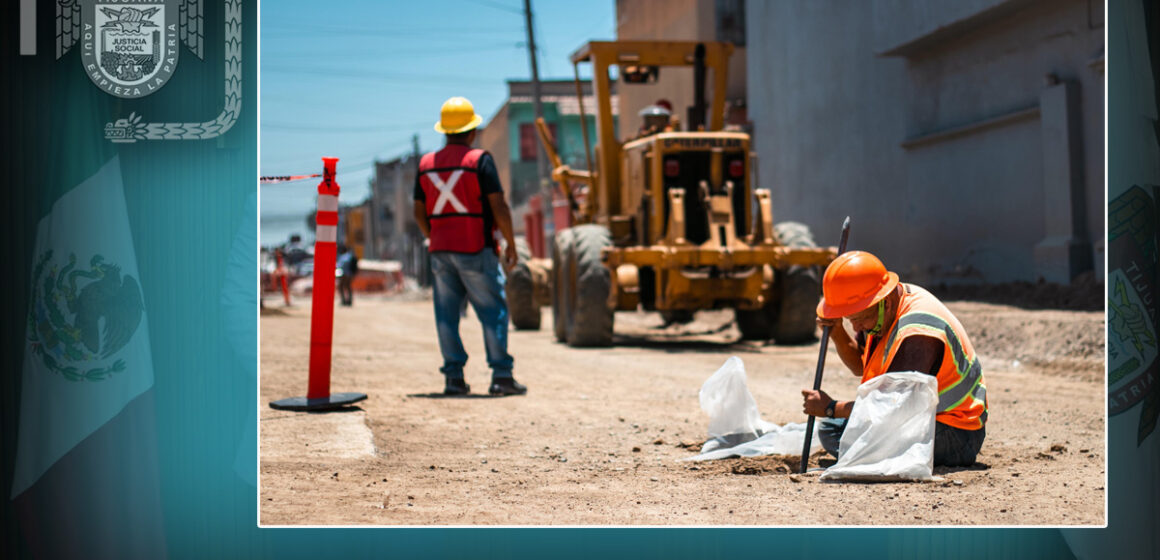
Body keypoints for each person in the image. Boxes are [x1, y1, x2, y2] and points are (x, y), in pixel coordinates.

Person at [801, 250, 988, 467]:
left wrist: (832, 407)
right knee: (831, 428)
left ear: (886, 303)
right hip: (919, 418)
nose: (856, 327)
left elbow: (890, 408)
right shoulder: (881, 309)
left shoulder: (918, 333)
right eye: (849, 319)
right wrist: (837, 332)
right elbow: (861, 365)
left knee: (850, 437)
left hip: (955, 433)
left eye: (859, 319)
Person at [413, 96, 525, 397]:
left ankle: (454, 379)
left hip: (440, 251)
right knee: (493, 312)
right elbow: (498, 205)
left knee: (446, 316)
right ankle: (501, 377)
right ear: (472, 131)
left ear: (444, 131)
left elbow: (418, 211)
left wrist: (433, 235)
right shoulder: (479, 161)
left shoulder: (425, 165)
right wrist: (511, 243)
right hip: (476, 247)